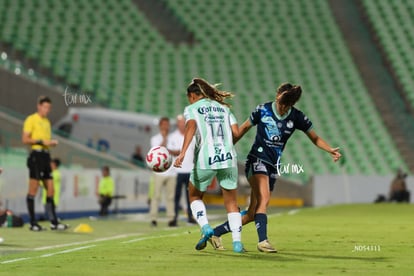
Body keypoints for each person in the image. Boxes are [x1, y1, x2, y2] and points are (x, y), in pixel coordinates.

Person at [209, 83, 342, 253]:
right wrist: (226, 150)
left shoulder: (297, 117)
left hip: (272, 166)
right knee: (264, 199)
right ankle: (263, 241)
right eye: (280, 103)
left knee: (252, 214)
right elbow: (242, 129)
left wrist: (330, 149)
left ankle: (216, 233)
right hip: (256, 160)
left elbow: (315, 138)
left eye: (286, 105)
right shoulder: (262, 109)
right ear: (277, 95)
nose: (282, 107)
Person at [174, 78, 244, 253]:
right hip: (228, 158)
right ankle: (237, 243)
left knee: (194, 196)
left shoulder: (192, 109)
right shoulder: (224, 108)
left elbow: (190, 127)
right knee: (231, 202)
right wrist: (227, 144)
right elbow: (236, 133)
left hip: (206, 158)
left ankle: (205, 227)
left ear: (192, 96)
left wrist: (182, 153)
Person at [22, 96, 68, 231]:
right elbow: (25, 139)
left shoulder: (47, 122)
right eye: (45, 107)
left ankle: (54, 222)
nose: (47, 110)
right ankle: (32, 223)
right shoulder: (31, 119)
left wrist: (50, 144)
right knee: (33, 190)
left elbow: (46, 142)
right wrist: (43, 142)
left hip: (46, 156)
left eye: (49, 108)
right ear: (39, 106)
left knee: (51, 189)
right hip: (36, 156)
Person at [149, 117, 177, 227]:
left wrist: (167, 148)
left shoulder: (174, 138)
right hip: (159, 172)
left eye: (167, 124)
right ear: (160, 126)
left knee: (170, 197)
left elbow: (177, 152)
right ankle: (153, 218)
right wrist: (165, 140)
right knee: (156, 196)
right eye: (164, 124)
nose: (166, 126)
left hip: (172, 172)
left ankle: (171, 218)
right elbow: (158, 151)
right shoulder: (155, 138)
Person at [169, 114, 196, 226]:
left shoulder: (191, 136)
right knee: (176, 196)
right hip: (178, 171)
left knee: (190, 196)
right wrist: (180, 152)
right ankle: (174, 217)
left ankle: (190, 216)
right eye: (179, 122)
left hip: (190, 169)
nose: (181, 124)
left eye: (182, 122)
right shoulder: (173, 136)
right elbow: (170, 150)